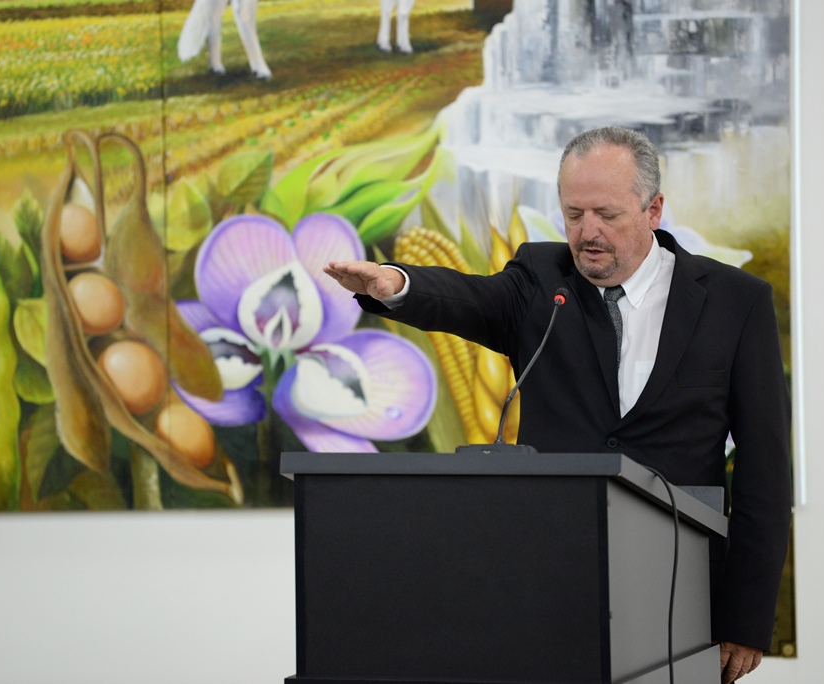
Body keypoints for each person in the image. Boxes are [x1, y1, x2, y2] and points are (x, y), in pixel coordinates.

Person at [324, 126, 792, 684]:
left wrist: (747, 618)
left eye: (606, 214)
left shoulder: (736, 302)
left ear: (653, 210)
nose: (587, 232)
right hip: (548, 589)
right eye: (573, 214)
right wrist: (397, 284)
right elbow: (470, 299)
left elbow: (765, 473)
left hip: (680, 595)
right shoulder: (541, 281)